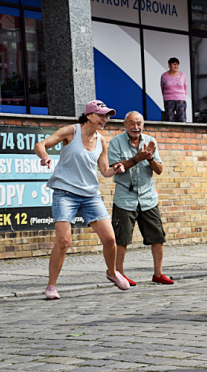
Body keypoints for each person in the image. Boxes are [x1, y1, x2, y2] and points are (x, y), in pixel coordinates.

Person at [34, 100, 128, 299]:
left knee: (110, 239)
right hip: (65, 193)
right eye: (101, 115)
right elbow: (41, 144)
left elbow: (104, 171)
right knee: (63, 241)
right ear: (88, 115)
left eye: (107, 116)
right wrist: (44, 156)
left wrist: (116, 168)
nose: (105, 119)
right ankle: (51, 286)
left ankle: (112, 273)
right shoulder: (71, 132)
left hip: (90, 195)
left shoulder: (101, 141)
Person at [108, 111, 173, 286]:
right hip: (124, 198)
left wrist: (150, 158)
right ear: (125, 125)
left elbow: (159, 170)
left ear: (143, 125)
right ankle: (119, 274)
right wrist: (136, 159)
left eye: (139, 124)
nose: (135, 127)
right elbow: (115, 167)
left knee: (158, 237)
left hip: (148, 197)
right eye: (132, 123)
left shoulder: (150, 141)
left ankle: (158, 274)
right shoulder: (116, 142)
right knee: (121, 239)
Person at [161, 58, 187, 123]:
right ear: (169, 65)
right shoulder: (164, 76)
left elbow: (185, 87)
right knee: (169, 119)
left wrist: (182, 96)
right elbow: (162, 88)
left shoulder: (182, 75)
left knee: (182, 119)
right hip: (168, 99)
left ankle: (181, 132)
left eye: (177, 65)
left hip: (180, 99)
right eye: (174, 64)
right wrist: (165, 98)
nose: (176, 66)